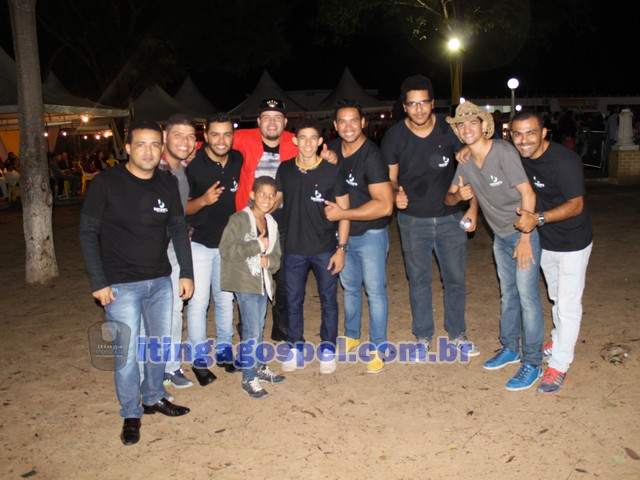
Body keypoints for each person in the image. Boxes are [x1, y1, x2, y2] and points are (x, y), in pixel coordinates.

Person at [79, 119, 194, 446]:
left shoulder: (167, 183)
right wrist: (99, 281)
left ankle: (154, 396)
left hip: (159, 280)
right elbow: (88, 232)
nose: (148, 151)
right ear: (128, 148)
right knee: (127, 354)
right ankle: (131, 412)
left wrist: (186, 272)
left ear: (162, 149)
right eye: (141, 144)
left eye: (155, 144)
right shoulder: (106, 183)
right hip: (120, 285)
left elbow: (177, 229)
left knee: (158, 345)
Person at [445, 101, 544, 391]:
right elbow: (450, 197)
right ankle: (511, 347)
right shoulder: (464, 160)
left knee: (528, 298)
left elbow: (528, 194)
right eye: (461, 124)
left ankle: (533, 361)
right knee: (508, 295)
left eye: (472, 122)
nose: (466, 128)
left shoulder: (502, 152)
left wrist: (525, 238)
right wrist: (463, 200)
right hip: (500, 236)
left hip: (522, 234)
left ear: (484, 125)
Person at [381, 75, 478, 357]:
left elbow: (472, 166)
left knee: (455, 279)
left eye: (424, 102)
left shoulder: (449, 130)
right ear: (404, 106)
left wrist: (472, 206)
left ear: (432, 103)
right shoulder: (394, 136)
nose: (419, 109)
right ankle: (423, 336)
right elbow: (390, 179)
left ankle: (457, 334)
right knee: (419, 280)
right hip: (412, 220)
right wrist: (396, 193)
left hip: (451, 217)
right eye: (412, 104)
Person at [233, 98, 337, 341]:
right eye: (266, 118)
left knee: (283, 277)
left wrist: (331, 156)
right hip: (251, 219)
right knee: (250, 275)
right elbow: (212, 140)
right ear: (258, 121)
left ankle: (282, 326)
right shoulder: (243, 138)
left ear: (285, 122)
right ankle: (247, 328)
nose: (272, 123)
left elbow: (318, 154)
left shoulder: (295, 141)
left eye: (277, 118)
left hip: (284, 221)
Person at [510, 111, 593, 395]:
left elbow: (576, 205)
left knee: (568, 305)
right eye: (518, 134)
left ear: (544, 133)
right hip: (545, 242)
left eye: (531, 132)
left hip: (573, 243)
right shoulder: (519, 156)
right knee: (556, 297)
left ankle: (559, 365)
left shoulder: (564, 161)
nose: (524, 140)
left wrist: (539, 219)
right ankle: (558, 340)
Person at [324, 99, 394, 373]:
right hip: (342, 234)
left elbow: (385, 206)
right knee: (350, 288)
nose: (348, 126)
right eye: (342, 121)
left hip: (371, 233)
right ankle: (352, 335)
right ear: (335, 125)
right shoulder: (331, 150)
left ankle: (378, 346)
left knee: (375, 291)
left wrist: (344, 213)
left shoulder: (372, 156)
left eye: (354, 120)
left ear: (363, 122)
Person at [276, 116, 349, 374]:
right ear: (295, 141)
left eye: (313, 138)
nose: (307, 143)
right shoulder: (285, 169)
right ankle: (295, 346)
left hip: (324, 248)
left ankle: (328, 348)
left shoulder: (332, 170)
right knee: (293, 300)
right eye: (302, 138)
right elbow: (275, 202)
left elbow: (345, 212)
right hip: (293, 248)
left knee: (329, 300)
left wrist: (341, 249)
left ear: (320, 142)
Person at [185, 112, 242, 382]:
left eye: (227, 134)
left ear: (233, 136)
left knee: (225, 299)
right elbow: (181, 207)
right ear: (205, 136)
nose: (221, 140)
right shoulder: (193, 165)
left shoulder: (238, 159)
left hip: (228, 245)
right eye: (215, 134)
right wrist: (203, 201)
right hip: (199, 243)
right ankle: (198, 359)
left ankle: (224, 351)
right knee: (198, 302)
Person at [220, 176, 285, 399]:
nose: (267, 199)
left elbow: (276, 256)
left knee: (259, 327)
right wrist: (256, 245)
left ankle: (258, 366)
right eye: (262, 194)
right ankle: (249, 377)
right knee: (251, 330)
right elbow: (226, 250)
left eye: (271, 195)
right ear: (252, 195)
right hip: (244, 281)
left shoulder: (272, 223)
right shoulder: (238, 219)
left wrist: (269, 261)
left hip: (262, 283)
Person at [157, 114, 198, 389]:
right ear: (164, 138)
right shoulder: (155, 170)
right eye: (178, 135)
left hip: (176, 246)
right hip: (153, 250)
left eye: (190, 137)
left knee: (174, 309)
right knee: (154, 312)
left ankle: (170, 367)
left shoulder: (181, 168)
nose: (185, 142)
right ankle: (153, 370)